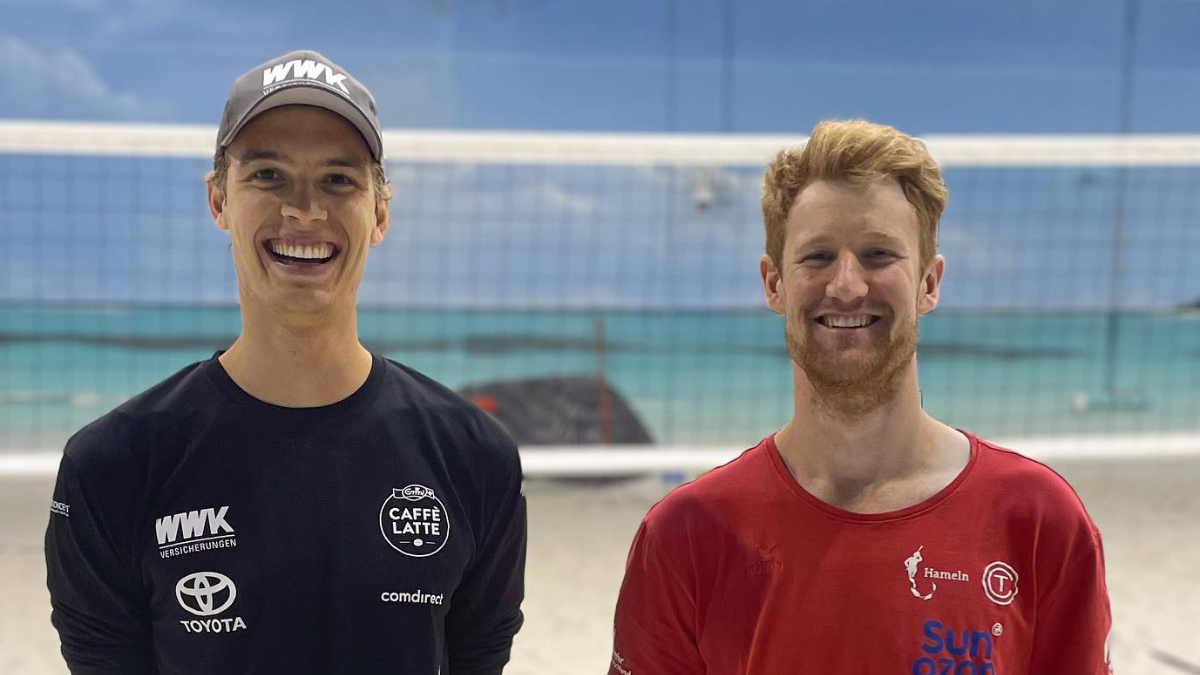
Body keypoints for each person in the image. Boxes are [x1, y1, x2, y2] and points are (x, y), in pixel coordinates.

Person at [45, 50, 526, 674]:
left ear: (380, 213)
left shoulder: (474, 457)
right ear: (218, 200)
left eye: (338, 179)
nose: (304, 210)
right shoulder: (113, 465)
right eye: (268, 175)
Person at [608, 119, 1112, 674]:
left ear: (929, 283)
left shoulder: (1038, 520)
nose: (846, 285)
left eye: (878, 254)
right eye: (818, 256)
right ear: (773, 283)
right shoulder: (687, 534)